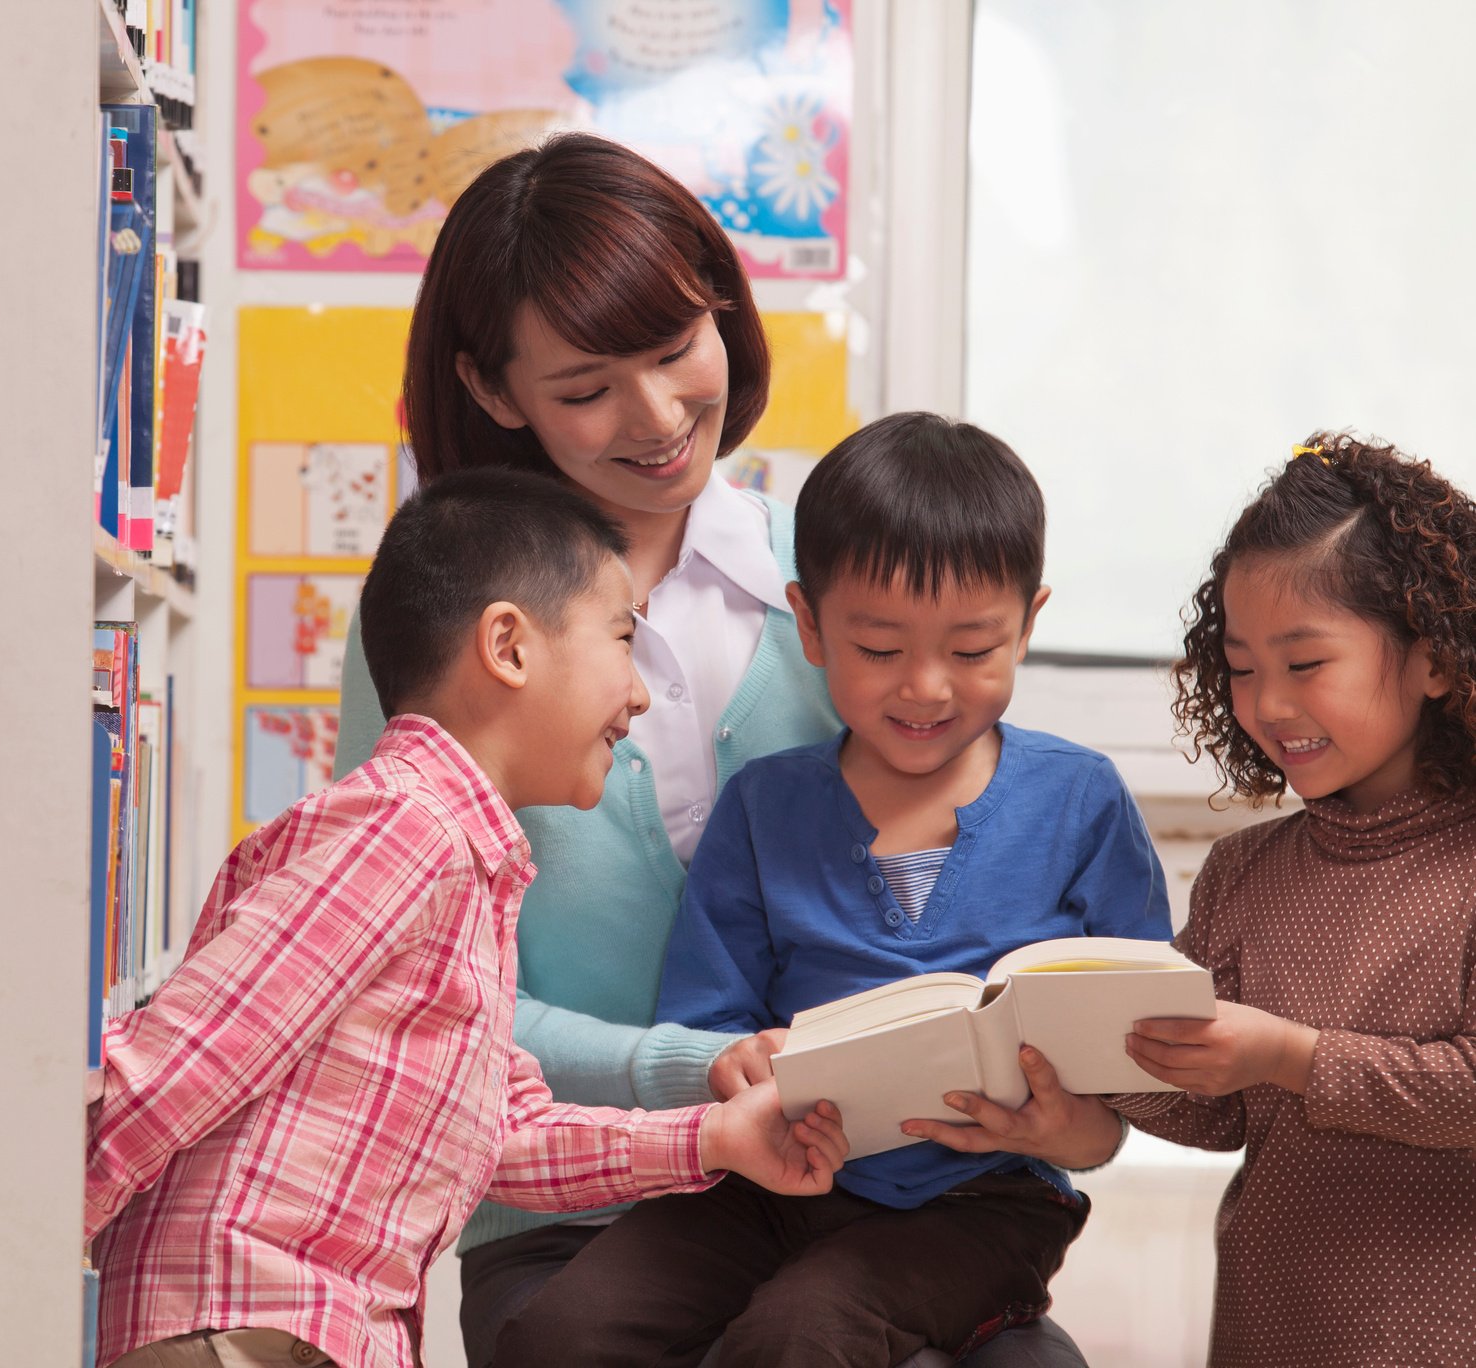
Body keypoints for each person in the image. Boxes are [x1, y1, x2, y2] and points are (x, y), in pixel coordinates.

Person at [334, 135, 1086, 1368]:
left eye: (679, 348)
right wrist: (684, 1071)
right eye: (584, 388)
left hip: (863, 1197)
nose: (660, 416)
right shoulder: (436, 629)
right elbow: (419, 994)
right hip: (565, 1207)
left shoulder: (856, 590)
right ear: (493, 388)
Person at [86, 470, 851, 1368]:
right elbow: (186, 1058)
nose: (640, 695)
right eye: (621, 638)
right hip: (242, 1325)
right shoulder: (403, 831)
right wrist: (9, 1257)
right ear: (509, 648)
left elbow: (498, 1138)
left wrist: (717, 1138)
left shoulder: (466, 864)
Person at [488, 413, 1174, 1368]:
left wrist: (1069, 1125)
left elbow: (1136, 1060)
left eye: (974, 650)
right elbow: (714, 1026)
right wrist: (746, 1064)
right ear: (808, 623)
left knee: (801, 1337)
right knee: (561, 1333)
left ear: (1029, 623)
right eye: (881, 649)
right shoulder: (766, 807)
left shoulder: (1080, 802)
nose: (927, 688)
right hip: (772, 1176)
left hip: (984, 1203)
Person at [951, 433, 1476, 1366]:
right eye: (1239, 667)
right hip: (1269, 1333)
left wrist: (1288, 1053)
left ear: (1434, 659)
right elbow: (1213, 1108)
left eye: (1305, 663)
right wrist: (1075, 1071)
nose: (1266, 703)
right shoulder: (1243, 874)